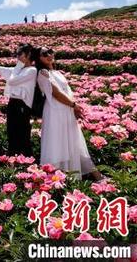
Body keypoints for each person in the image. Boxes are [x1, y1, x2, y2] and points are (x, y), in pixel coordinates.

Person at [31, 47, 103, 181]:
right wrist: (74, 105)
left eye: (50, 51)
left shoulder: (55, 72)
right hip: (56, 111)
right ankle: (59, 178)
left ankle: (87, 175)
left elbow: (66, 91)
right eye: (44, 54)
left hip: (66, 109)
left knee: (73, 141)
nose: (49, 55)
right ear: (39, 58)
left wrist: (73, 107)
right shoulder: (42, 72)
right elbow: (56, 93)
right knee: (58, 143)